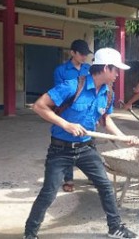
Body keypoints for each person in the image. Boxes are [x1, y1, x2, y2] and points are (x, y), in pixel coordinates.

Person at [24, 48, 137, 239]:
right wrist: (66, 124)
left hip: (86, 148)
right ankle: (30, 233)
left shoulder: (107, 93)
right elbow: (39, 106)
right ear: (106, 68)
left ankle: (115, 227)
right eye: (116, 70)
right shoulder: (72, 86)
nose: (118, 74)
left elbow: (105, 120)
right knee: (49, 192)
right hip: (60, 149)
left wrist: (123, 137)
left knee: (105, 186)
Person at [53, 39, 92, 193]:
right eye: (81, 54)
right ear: (72, 53)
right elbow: (59, 94)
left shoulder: (89, 69)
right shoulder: (61, 71)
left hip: (87, 115)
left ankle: (92, 175)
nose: (84, 57)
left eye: (86, 54)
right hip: (68, 113)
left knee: (89, 145)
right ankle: (68, 179)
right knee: (69, 146)